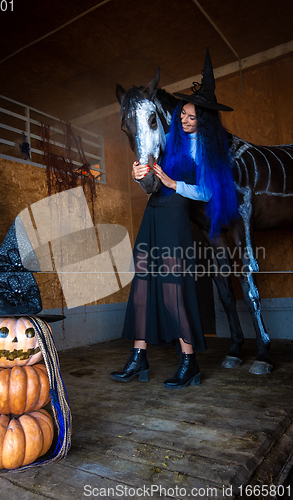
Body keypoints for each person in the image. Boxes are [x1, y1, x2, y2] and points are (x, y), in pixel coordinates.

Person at [111, 49, 239, 389]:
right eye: (184, 114)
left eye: (193, 117)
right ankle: (138, 357)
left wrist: (173, 182)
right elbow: (153, 178)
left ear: (204, 121)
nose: (185, 120)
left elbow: (208, 193)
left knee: (172, 289)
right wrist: (143, 175)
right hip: (154, 212)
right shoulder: (171, 143)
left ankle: (189, 362)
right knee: (141, 286)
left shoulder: (206, 150)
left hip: (176, 218)